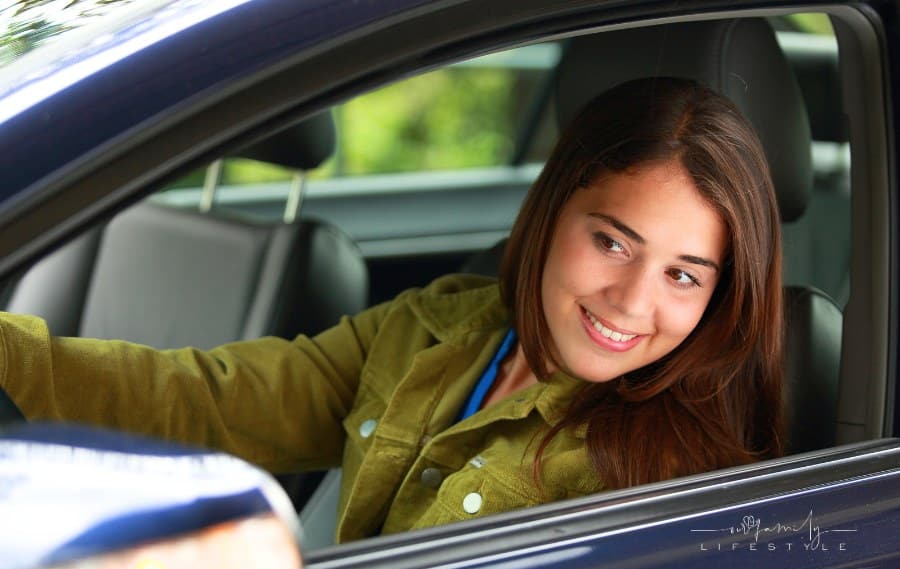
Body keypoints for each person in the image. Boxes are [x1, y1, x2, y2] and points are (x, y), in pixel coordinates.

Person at [0, 77, 783, 543]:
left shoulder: (665, 479)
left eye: (684, 276)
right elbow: (210, 398)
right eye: (612, 242)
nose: (634, 301)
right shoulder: (434, 325)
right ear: (551, 212)